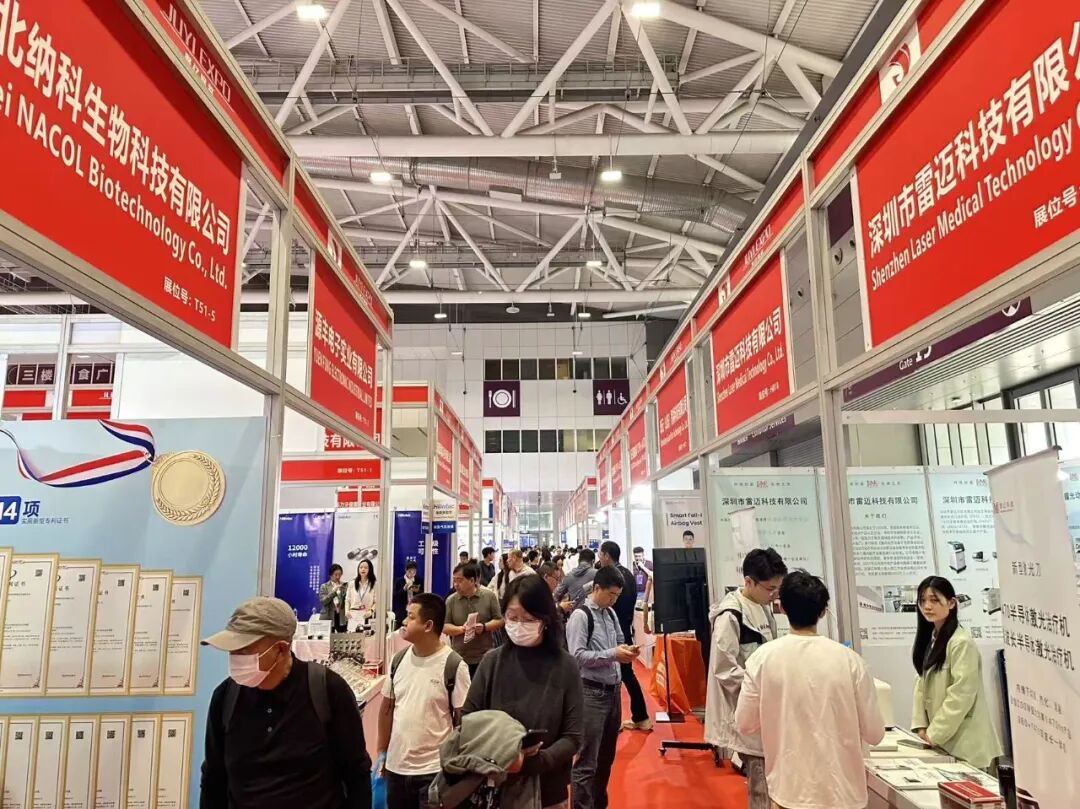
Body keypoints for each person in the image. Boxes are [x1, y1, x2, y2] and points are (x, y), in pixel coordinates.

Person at [199, 597, 371, 809]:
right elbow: (213, 778)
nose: (235, 658)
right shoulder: (225, 697)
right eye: (232, 650)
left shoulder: (328, 690)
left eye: (244, 649)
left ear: (280, 649)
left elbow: (356, 772)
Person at [735, 572, 885, 809]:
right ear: (823, 611)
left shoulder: (762, 659)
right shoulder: (851, 661)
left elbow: (744, 723)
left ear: (782, 608)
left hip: (789, 791)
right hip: (844, 793)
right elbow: (875, 734)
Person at [464, 575, 584, 809]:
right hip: (492, 788)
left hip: (549, 790)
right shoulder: (492, 662)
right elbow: (468, 718)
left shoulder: (565, 666)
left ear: (545, 619)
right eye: (512, 617)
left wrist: (531, 762)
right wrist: (499, 753)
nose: (519, 625)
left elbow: (573, 736)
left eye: (528, 619)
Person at [705, 548, 787, 808]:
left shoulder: (762, 607)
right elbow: (724, 669)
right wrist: (761, 689)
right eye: (770, 588)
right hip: (748, 710)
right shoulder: (731, 615)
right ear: (749, 581)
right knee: (761, 788)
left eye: (777, 589)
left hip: (767, 709)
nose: (774, 595)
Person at [377, 593, 471, 809]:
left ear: (428, 625)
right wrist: (382, 752)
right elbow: (387, 709)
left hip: (434, 771)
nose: (404, 621)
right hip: (396, 768)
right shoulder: (398, 660)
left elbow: (463, 720)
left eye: (411, 617)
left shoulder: (454, 665)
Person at [911, 576, 1002, 769]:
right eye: (922, 600)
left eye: (934, 600)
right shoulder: (932, 639)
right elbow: (921, 684)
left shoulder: (961, 642)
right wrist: (921, 727)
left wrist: (934, 733)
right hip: (942, 742)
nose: (927, 606)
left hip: (966, 744)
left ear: (951, 603)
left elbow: (961, 694)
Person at [567, 565, 638, 809]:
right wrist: (613, 654)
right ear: (597, 588)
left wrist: (627, 651)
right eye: (611, 595)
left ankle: (598, 804)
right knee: (587, 762)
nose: (614, 600)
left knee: (606, 759)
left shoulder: (610, 614)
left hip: (613, 692)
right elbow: (576, 656)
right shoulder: (581, 616)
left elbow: (619, 641)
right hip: (591, 694)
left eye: (617, 595)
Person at [597, 541, 651, 732]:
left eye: (600, 554)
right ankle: (640, 717)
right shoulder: (628, 573)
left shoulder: (612, 576)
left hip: (614, 631)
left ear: (606, 555)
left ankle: (634, 718)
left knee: (617, 676)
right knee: (626, 674)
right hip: (625, 628)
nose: (599, 558)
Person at [444, 562, 505, 677]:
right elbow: (445, 627)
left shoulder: (489, 596)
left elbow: (500, 620)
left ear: (472, 580)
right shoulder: (451, 600)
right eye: (454, 580)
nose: (456, 584)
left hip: (484, 656)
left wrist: (484, 627)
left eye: (460, 580)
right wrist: (462, 629)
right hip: (459, 657)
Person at [553, 548, 596, 614]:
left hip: (574, 614)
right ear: (593, 561)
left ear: (578, 561)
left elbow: (556, 596)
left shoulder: (569, 576)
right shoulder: (597, 574)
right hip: (593, 615)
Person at [347, 559, 378, 633]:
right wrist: (347, 611)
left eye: (365, 567)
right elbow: (347, 599)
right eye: (361, 567)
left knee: (366, 636)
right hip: (353, 615)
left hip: (367, 615)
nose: (363, 569)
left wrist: (371, 611)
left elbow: (376, 601)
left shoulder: (374, 584)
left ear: (370, 570)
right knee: (353, 635)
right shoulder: (352, 583)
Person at [319, 564, 349, 633]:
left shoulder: (344, 586)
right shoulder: (324, 586)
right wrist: (334, 592)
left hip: (341, 616)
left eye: (340, 574)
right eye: (336, 575)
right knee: (328, 637)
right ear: (331, 575)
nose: (338, 577)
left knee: (343, 636)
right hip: (328, 616)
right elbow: (323, 601)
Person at [392, 561, 422, 628]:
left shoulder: (419, 580)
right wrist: (404, 589)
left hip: (415, 608)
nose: (412, 574)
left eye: (414, 572)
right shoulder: (399, 581)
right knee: (401, 628)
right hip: (402, 609)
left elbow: (423, 594)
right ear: (406, 570)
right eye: (410, 572)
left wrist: (417, 591)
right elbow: (395, 595)